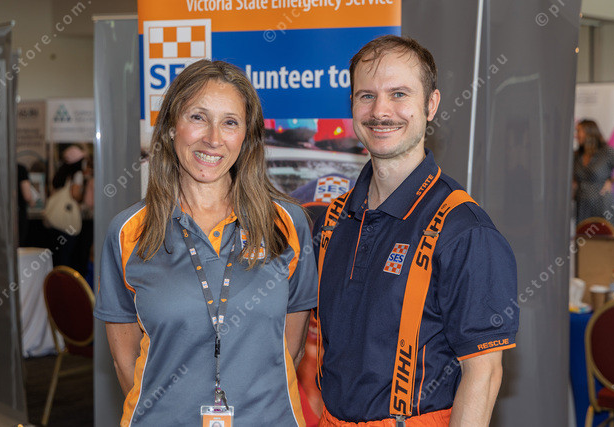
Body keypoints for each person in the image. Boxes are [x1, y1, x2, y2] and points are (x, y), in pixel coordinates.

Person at [94, 60, 317, 426]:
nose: (213, 138)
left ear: (246, 136)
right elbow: (125, 363)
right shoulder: (129, 232)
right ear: (171, 127)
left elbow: (288, 353)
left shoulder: (286, 224)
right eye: (198, 117)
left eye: (230, 122)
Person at [314, 35, 518, 426]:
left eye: (399, 94)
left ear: (431, 104)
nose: (380, 111)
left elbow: (484, 374)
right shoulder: (334, 220)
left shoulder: (464, 230)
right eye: (367, 96)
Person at [573, 119, 614, 225]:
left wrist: (612, 180)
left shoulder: (606, 152)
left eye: (579, 131)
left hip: (602, 205)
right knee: (583, 234)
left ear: (589, 132)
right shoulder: (576, 155)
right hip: (582, 206)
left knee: (603, 234)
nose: (576, 135)